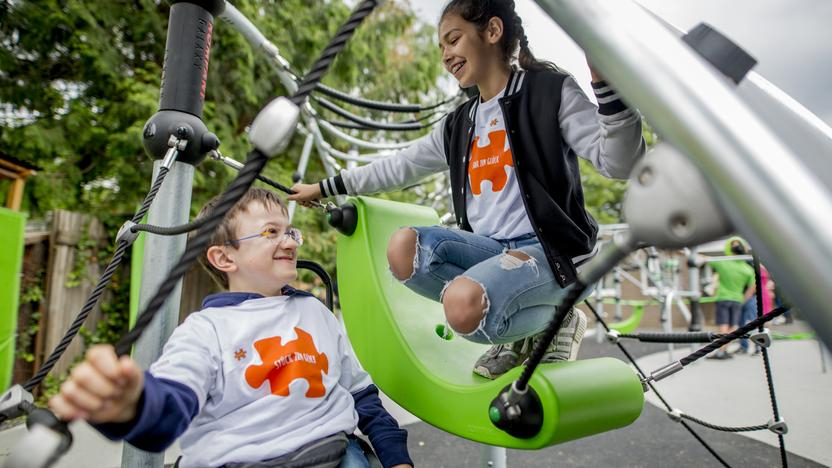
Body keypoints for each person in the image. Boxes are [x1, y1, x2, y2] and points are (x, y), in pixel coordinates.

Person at [290, 0, 645, 379]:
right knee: (403, 250)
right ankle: (515, 319)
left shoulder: (549, 92)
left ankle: (557, 320)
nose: (445, 55)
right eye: (441, 46)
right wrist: (325, 188)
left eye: (453, 39)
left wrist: (608, 87)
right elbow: (399, 165)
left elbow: (620, 164)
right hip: (494, 253)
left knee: (463, 306)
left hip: (553, 255)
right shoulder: (460, 124)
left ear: (492, 32)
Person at [49, 188, 412, 468]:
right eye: (271, 232)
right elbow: (174, 400)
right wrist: (132, 405)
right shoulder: (206, 330)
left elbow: (361, 396)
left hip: (333, 452)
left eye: (289, 231)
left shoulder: (314, 312)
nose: (289, 242)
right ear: (224, 257)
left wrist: (397, 458)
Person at [706, 237, 755, 359]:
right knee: (733, 327)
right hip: (737, 300)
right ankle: (724, 350)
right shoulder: (747, 269)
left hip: (724, 298)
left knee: (723, 325)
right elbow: (753, 286)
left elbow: (704, 260)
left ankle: (720, 351)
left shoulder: (723, 262)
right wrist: (744, 298)